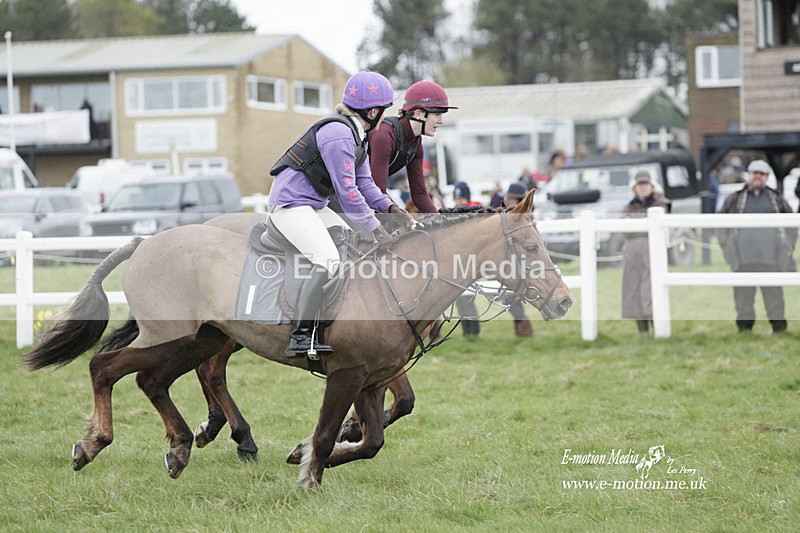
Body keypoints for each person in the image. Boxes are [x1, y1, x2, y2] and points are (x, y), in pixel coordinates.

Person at [268, 70, 413, 358]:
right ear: (372, 111)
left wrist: (391, 208)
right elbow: (347, 194)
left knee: (349, 247)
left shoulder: (358, 136)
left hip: (313, 206)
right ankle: (301, 335)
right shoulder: (338, 135)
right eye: (384, 111)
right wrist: (375, 227)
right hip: (291, 205)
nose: (386, 118)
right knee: (327, 259)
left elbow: (365, 184)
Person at [717, 159, 797, 333]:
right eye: (754, 173)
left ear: (767, 177)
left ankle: (779, 328)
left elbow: (792, 225)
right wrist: (727, 247)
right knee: (743, 298)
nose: (757, 177)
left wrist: (788, 249)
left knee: (774, 297)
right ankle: (744, 330)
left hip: (771, 259)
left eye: (761, 174)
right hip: (742, 259)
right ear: (749, 175)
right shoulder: (735, 199)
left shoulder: (776, 199)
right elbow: (720, 224)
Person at [368, 79, 457, 214]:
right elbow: (377, 191)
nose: (441, 121)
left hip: (362, 196)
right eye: (437, 114)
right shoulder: (384, 135)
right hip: (338, 195)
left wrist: (440, 220)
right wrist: (401, 217)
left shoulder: (416, 142)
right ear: (418, 113)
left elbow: (419, 194)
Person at [621, 171, 671, 334]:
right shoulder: (628, 207)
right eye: (639, 185)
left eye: (645, 184)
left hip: (652, 255)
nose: (642, 188)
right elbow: (624, 228)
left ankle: (657, 327)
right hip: (632, 256)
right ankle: (642, 330)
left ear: (651, 186)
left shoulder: (661, 204)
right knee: (633, 290)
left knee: (651, 289)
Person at [451, 181, 482, 336]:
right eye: (457, 199)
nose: (459, 202)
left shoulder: (473, 212)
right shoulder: (453, 214)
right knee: (459, 298)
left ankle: (474, 330)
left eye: (461, 198)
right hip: (457, 262)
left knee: (468, 297)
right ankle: (466, 330)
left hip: (468, 262)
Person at [504, 181, 534, 337]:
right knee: (509, 299)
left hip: (523, 265)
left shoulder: (526, 221)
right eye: (510, 199)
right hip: (506, 264)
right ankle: (522, 327)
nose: (511, 203)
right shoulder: (505, 216)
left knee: (512, 298)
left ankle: (524, 328)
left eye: (515, 200)